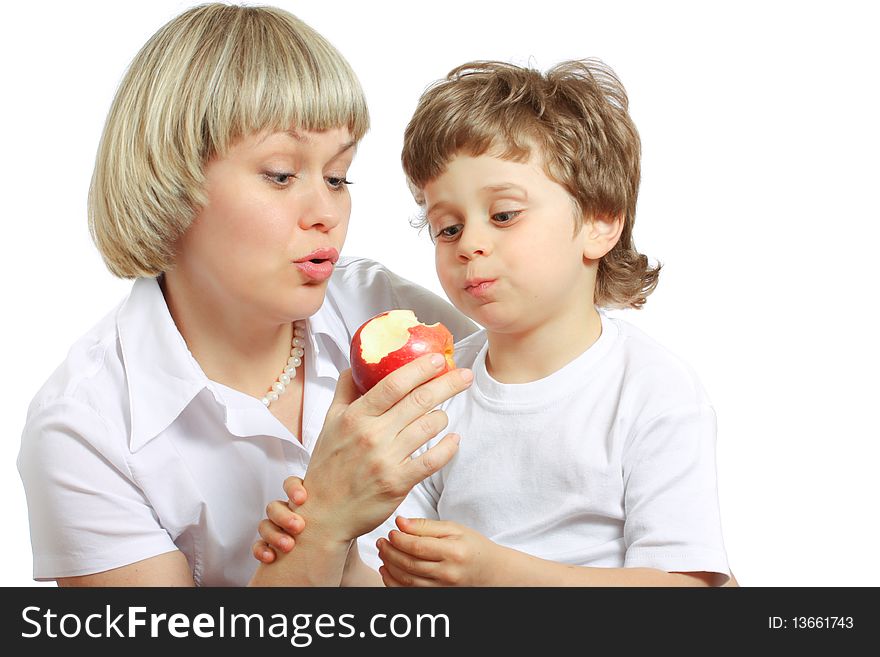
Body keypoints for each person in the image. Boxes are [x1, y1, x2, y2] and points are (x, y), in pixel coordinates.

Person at [16, 3, 477, 587]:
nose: (326, 213)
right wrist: (324, 520)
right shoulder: (86, 428)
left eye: (338, 177)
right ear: (170, 178)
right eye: (282, 175)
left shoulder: (381, 308)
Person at [256, 59, 734, 586]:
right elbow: (390, 585)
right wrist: (331, 542)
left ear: (600, 223)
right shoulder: (436, 390)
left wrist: (494, 573)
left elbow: (692, 590)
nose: (470, 245)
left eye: (504, 215)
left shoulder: (649, 387)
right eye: (448, 228)